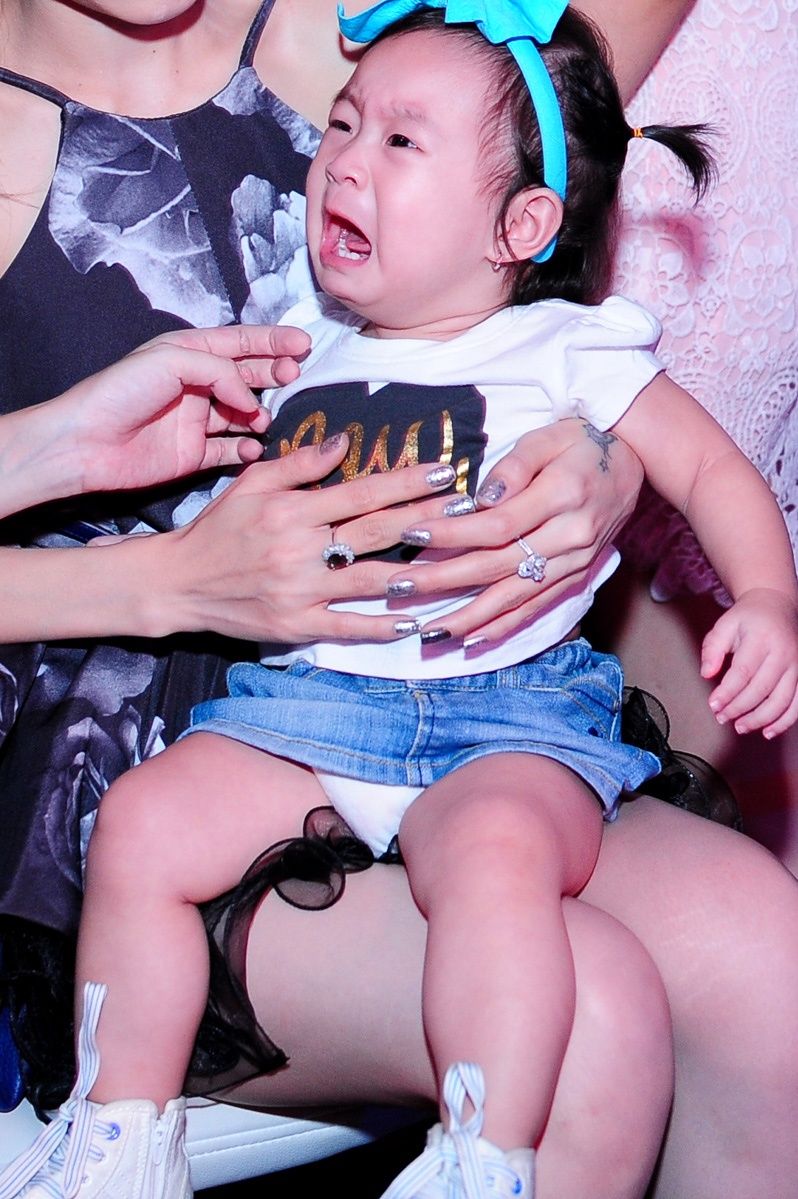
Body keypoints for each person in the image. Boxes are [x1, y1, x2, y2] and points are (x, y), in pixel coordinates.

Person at [1, 3, 798, 1198]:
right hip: (211, 733)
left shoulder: (374, 46)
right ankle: (122, 1143)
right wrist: (164, 572)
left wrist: (609, 466)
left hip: (488, 704)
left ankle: (479, 1152)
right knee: (594, 1017)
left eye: (392, 139)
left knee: (765, 955)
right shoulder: (310, 291)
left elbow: (577, 313)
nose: (348, 160)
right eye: (345, 130)